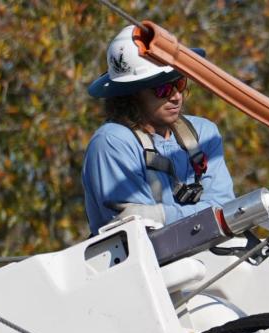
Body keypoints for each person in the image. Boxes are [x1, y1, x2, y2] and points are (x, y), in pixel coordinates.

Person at [82, 25, 236, 235]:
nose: (176, 96)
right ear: (131, 94)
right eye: (162, 88)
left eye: (179, 83)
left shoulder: (203, 133)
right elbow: (142, 231)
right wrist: (203, 216)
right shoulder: (113, 142)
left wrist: (161, 215)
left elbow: (226, 210)